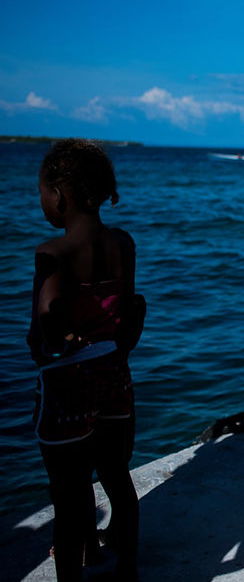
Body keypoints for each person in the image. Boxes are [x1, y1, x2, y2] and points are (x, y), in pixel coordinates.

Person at [29, 139, 144, 581]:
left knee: (69, 494)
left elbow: (44, 325)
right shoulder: (123, 244)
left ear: (60, 193)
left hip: (67, 385)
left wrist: (47, 341)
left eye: (42, 192)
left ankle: (76, 570)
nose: (43, 201)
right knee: (117, 476)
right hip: (114, 374)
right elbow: (128, 311)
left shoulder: (52, 253)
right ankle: (127, 568)